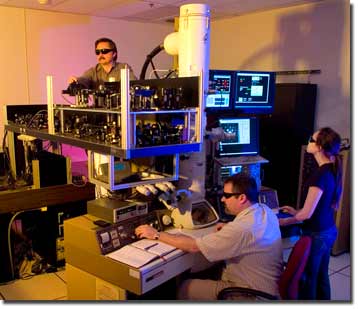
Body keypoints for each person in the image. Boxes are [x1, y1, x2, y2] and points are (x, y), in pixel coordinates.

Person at [135, 173, 283, 300]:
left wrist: (155, 234)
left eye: (227, 195)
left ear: (242, 198)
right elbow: (250, 233)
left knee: (185, 287)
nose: (223, 199)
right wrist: (229, 228)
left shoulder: (241, 229)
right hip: (269, 289)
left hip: (251, 296)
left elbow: (193, 246)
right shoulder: (264, 210)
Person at [279, 127, 342, 300]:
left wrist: (283, 222)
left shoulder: (320, 175)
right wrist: (296, 211)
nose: (308, 142)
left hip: (318, 234)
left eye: (311, 140)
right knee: (321, 276)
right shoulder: (331, 170)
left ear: (320, 147)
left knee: (309, 279)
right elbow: (317, 207)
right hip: (328, 230)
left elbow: (306, 215)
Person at [68, 37, 136, 90]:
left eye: (104, 51)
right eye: (97, 52)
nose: (100, 55)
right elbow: (84, 79)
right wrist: (77, 81)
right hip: (99, 108)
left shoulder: (123, 68)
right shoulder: (93, 71)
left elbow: (133, 85)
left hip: (121, 107)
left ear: (114, 54)